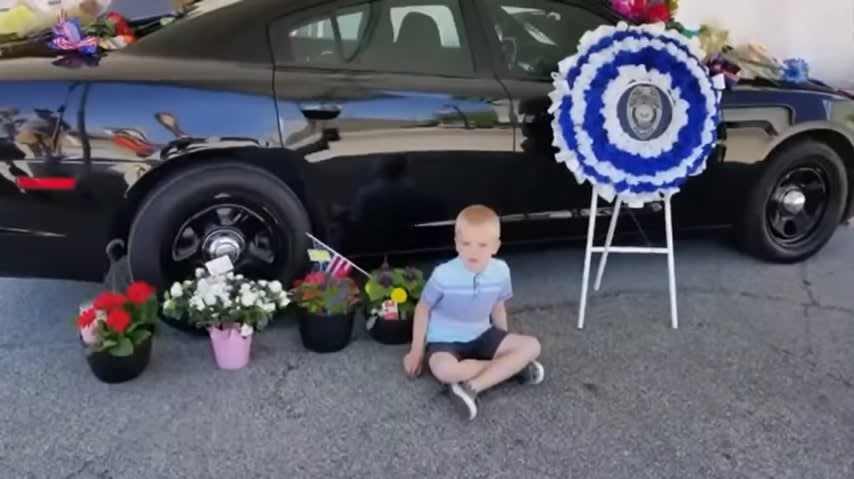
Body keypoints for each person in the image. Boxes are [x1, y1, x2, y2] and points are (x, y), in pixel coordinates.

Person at [403, 204, 544, 420]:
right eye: (466, 243)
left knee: (532, 345)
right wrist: (416, 351)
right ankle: (511, 369)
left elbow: (498, 304)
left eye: (482, 245)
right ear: (457, 243)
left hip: (482, 333)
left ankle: (472, 386)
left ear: (495, 246)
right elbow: (423, 308)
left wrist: (503, 341)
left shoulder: (501, 270)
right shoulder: (443, 274)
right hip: (444, 339)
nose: (473, 251)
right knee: (444, 371)